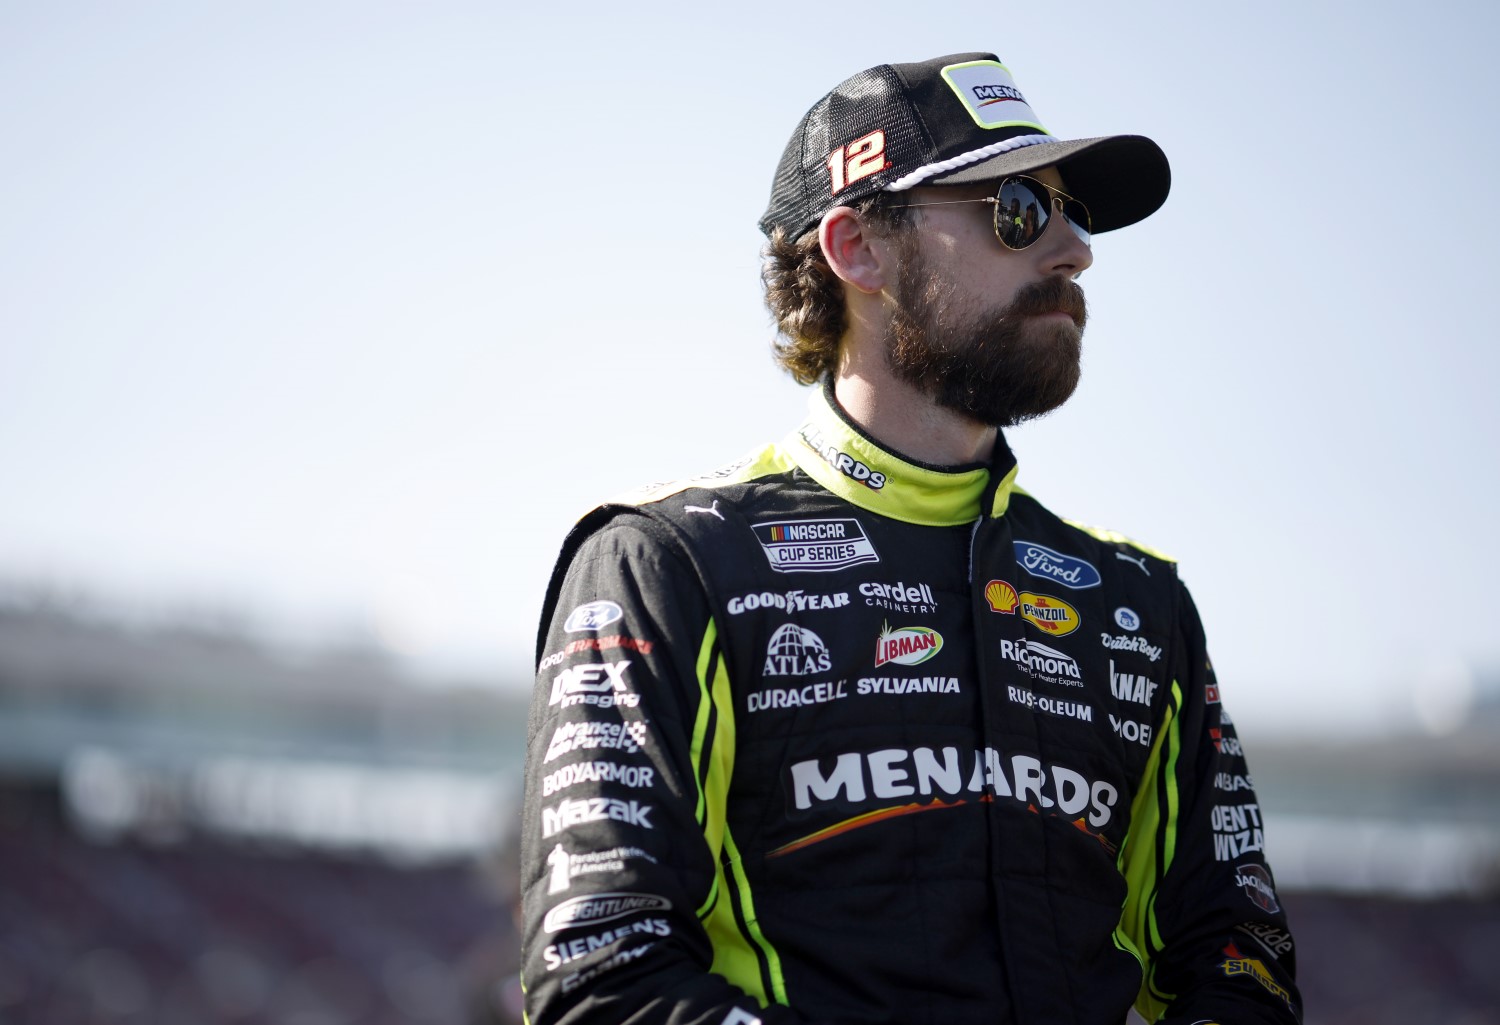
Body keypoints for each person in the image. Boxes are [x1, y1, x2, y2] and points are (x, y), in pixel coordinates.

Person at [520, 52, 1301, 1025]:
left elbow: (1240, 957)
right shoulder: (664, 563)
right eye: (1018, 208)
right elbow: (600, 978)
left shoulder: (1137, 602)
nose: (1073, 251)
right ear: (858, 249)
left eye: (1074, 214)